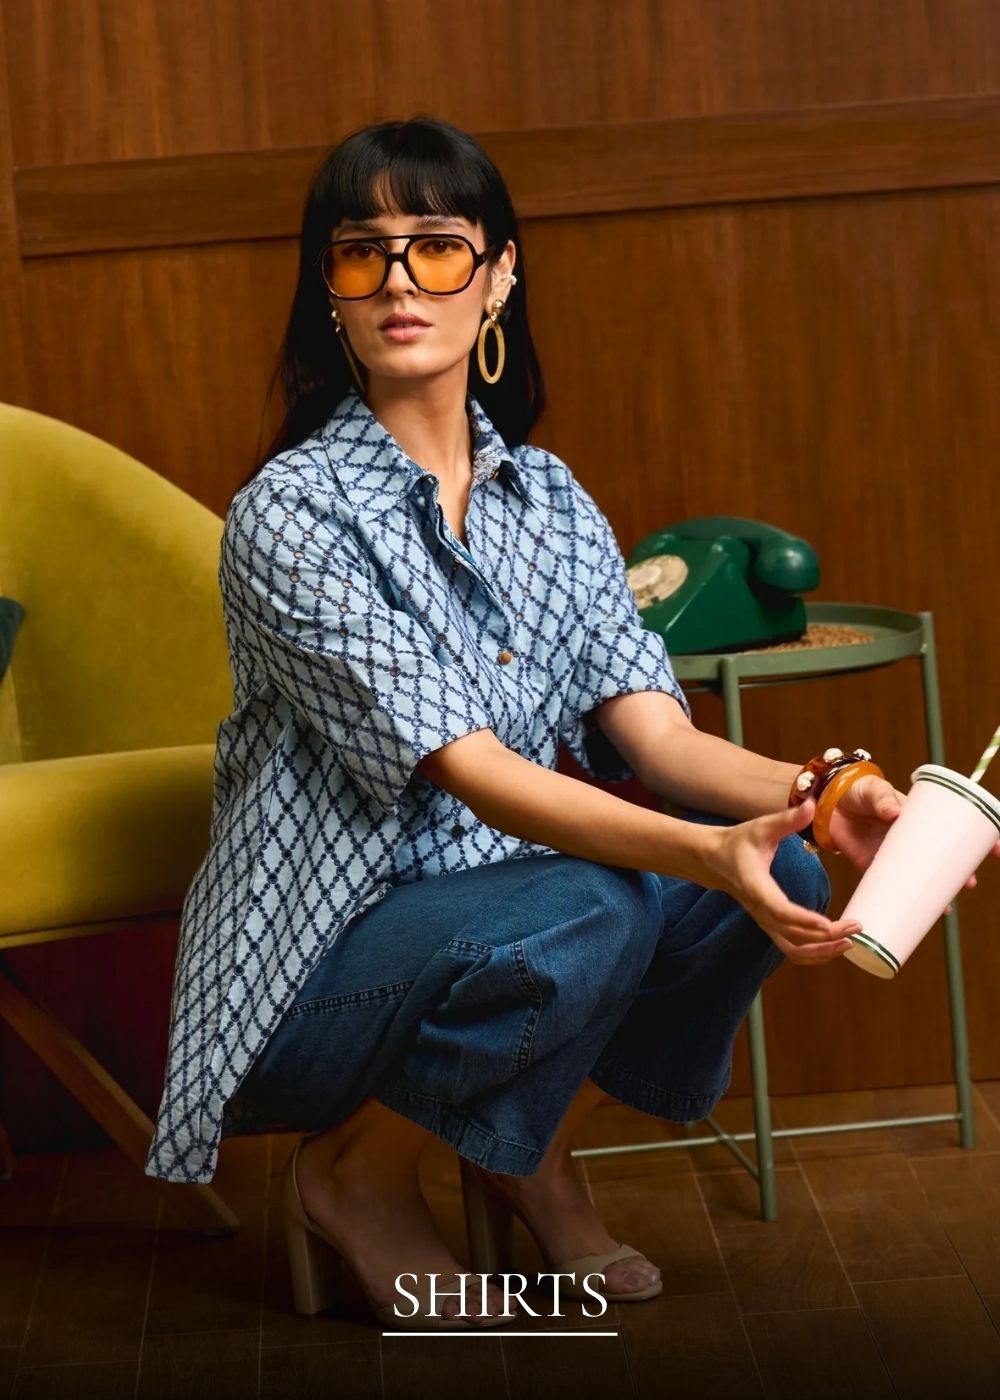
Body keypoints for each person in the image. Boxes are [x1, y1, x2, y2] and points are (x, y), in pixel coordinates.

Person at [144, 116, 914, 1330]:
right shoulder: (289, 514)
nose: (400, 281)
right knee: (596, 902)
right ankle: (356, 1172)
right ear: (330, 288)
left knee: (781, 871)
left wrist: (823, 792)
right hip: (314, 978)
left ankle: (529, 1146)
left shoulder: (548, 498)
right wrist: (701, 848)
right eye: (362, 251)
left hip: (518, 928)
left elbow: (660, 739)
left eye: (438, 246)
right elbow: (477, 771)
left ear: (500, 274)